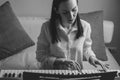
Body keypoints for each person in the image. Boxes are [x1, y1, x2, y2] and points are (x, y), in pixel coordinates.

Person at [36, 0, 109, 71]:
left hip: (76, 74)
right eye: (65, 12)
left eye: (74, 10)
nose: (71, 16)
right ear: (56, 10)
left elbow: (86, 49)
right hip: (52, 74)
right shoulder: (46, 27)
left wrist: (92, 58)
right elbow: (40, 55)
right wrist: (58, 61)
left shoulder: (86, 26)